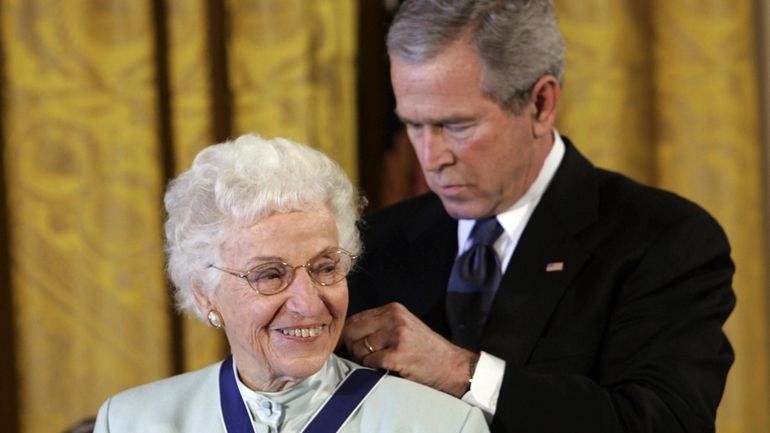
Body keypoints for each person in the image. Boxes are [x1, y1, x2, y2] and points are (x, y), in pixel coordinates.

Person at [342, 1, 736, 432]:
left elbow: (666, 423)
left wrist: (464, 372)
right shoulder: (375, 243)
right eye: (414, 126)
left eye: (456, 126)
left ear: (541, 104)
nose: (431, 158)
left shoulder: (665, 240)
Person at [93, 134, 489, 433]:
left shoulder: (443, 426)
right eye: (270, 274)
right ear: (204, 293)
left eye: (324, 268)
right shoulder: (130, 422)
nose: (309, 304)